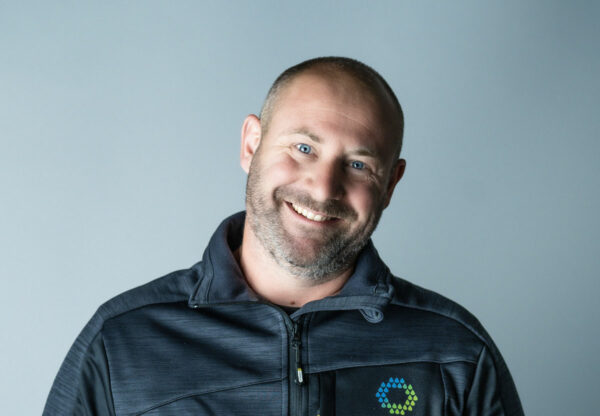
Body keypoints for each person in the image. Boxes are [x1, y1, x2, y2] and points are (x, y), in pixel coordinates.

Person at [44, 57, 524, 416]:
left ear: (391, 184)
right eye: (303, 148)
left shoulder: (455, 352)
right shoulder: (122, 342)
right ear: (251, 144)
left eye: (358, 164)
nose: (323, 187)